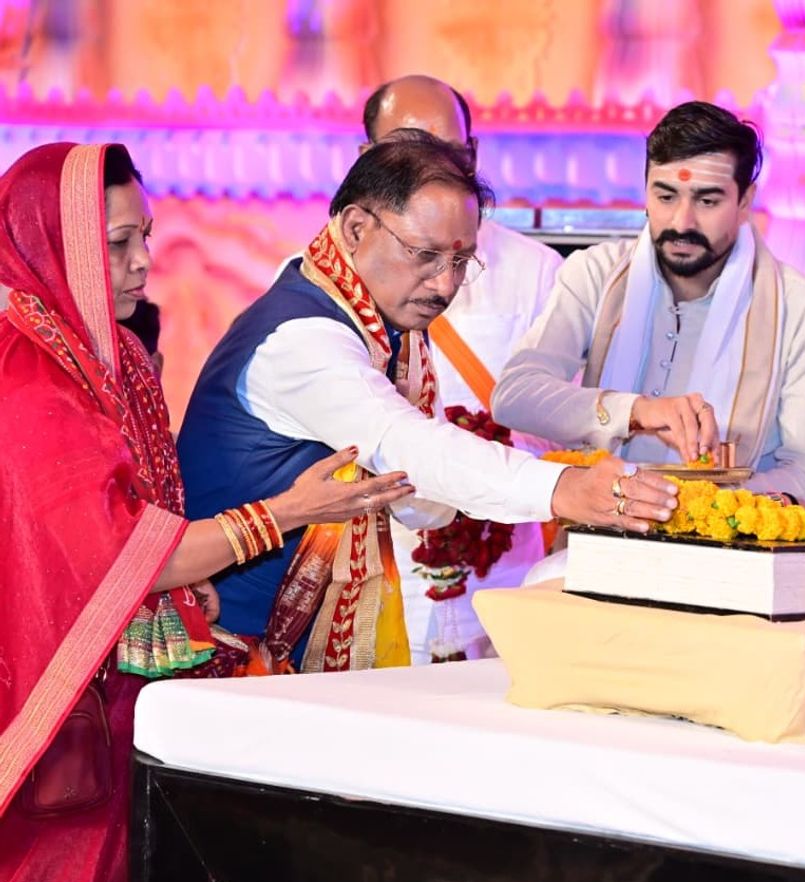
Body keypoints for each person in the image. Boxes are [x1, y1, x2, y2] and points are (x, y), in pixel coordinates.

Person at [0, 143, 415, 882]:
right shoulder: (30, 377)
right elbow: (132, 558)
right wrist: (290, 511)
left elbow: (152, 530)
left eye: (146, 236)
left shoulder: (115, 356)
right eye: (115, 244)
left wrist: (189, 594)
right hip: (58, 709)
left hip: (128, 693)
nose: (141, 262)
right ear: (53, 249)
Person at [175, 135, 677, 674]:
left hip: (283, 651)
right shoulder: (302, 337)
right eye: (426, 255)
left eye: (462, 261)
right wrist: (562, 489)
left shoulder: (379, 326)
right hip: (232, 653)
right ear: (354, 229)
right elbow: (403, 443)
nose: (445, 284)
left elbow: (416, 491)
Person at [492, 101, 805, 501]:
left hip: (729, 555)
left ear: (745, 200)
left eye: (707, 201)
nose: (682, 222)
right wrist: (636, 411)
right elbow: (514, 396)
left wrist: (693, 504)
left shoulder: (802, 311)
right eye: (665, 197)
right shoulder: (596, 275)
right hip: (597, 537)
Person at [361, 75, 564, 661]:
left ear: (472, 156)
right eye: (402, 150)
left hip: (505, 568)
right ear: (364, 159)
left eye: (445, 152)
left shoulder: (538, 272)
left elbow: (566, 427)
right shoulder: (314, 275)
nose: (425, 169)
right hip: (377, 566)